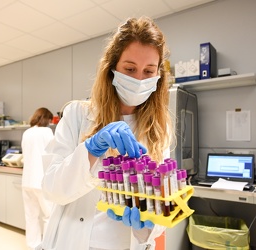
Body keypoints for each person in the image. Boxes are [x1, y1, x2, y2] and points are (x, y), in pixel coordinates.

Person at [40, 16, 173, 250]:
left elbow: (164, 203)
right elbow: (52, 189)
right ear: (112, 69)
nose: (139, 79)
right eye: (130, 69)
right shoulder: (77, 114)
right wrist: (90, 150)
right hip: (72, 242)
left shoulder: (159, 130)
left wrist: (149, 223)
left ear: (158, 76)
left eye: (148, 71)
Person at [21, 107, 54, 250]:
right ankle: (46, 246)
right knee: (49, 216)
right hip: (41, 180)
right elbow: (54, 152)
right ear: (46, 119)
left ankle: (32, 245)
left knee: (31, 216)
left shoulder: (27, 132)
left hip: (27, 180)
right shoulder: (46, 132)